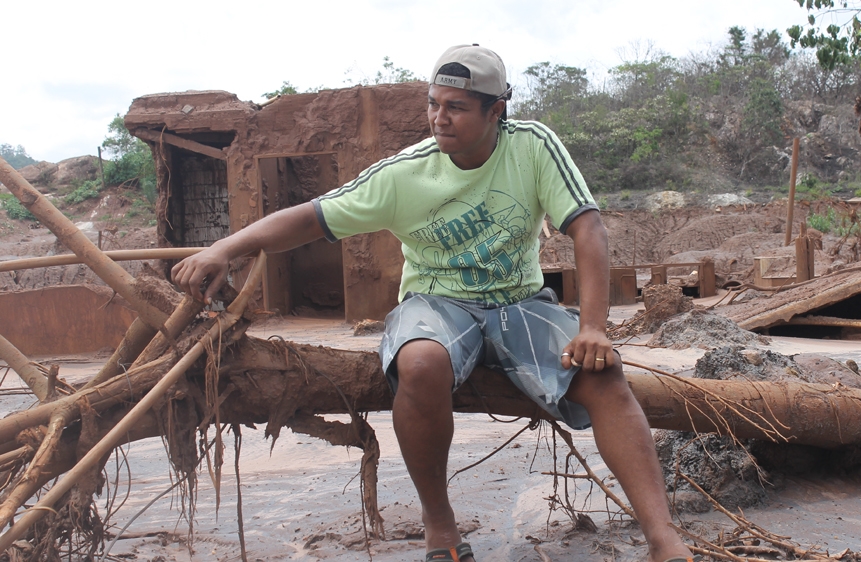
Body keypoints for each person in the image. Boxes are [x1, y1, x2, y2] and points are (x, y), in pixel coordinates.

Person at [172, 44, 696, 562]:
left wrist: (594, 327)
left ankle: (662, 538)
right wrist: (225, 248)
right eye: (433, 104)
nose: (439, 119)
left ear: (497, 110)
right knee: (420, 362)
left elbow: (588, 227)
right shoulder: (405, 173)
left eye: (456, 108)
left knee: (603, 373)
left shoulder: (532, 146)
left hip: (522, 303)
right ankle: (440, 526)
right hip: (438, 303)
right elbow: (312, 217)